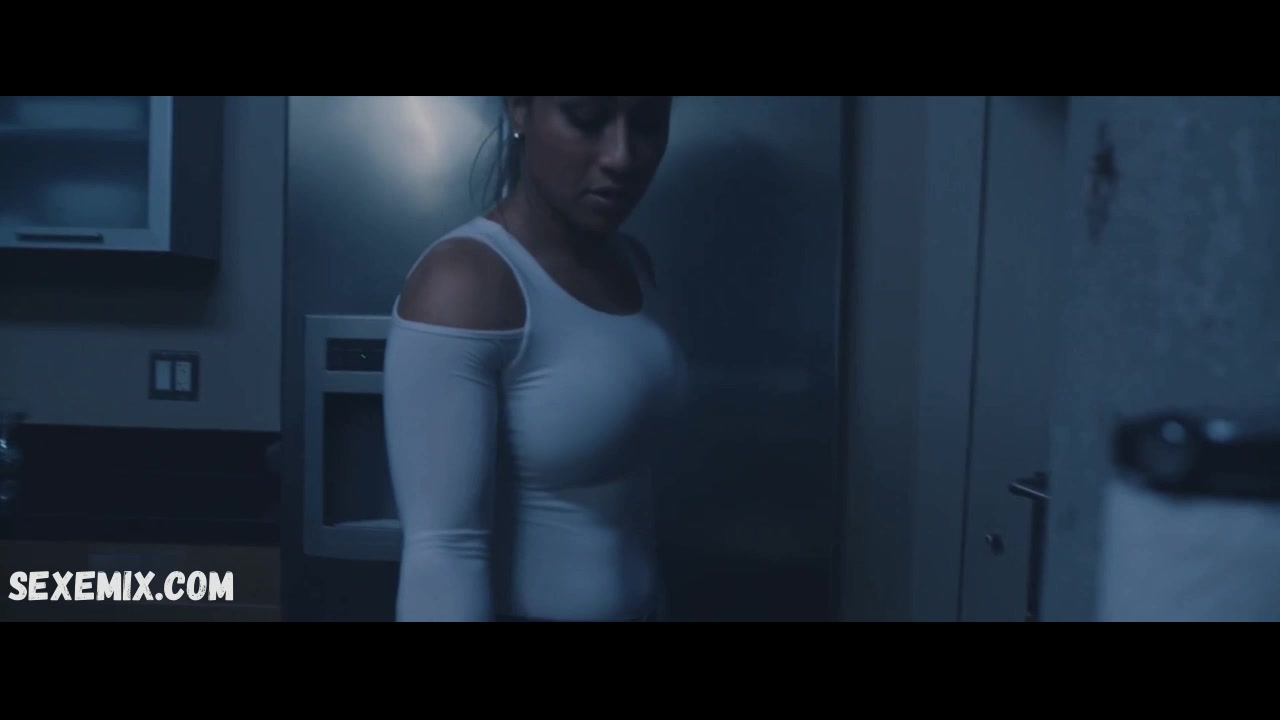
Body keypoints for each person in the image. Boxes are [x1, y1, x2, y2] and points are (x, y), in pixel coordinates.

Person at [382, 96, 688, 621]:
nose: (621, 156)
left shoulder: (632, 263)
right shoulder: (465, 285)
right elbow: (442, 558)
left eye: (647, 125)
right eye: (587, 119)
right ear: (520, 109)